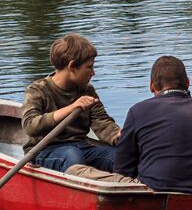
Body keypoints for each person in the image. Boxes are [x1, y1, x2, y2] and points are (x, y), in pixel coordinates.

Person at [111, 55, 192, 194]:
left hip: (154, 192)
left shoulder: (138, 111)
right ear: (187, 83)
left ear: (152, 86)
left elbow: (122, 170)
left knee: (77, 169)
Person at [21, 33, 123, 174]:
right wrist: (72, 107)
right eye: (89, 67)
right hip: (44, 150)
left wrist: (119, 136)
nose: (93, 73)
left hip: (82, 146)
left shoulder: (86, 90)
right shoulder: (38, 90)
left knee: (120, 157)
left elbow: (102, 122)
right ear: (72, 66)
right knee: (72, 155)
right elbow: (30, 126)